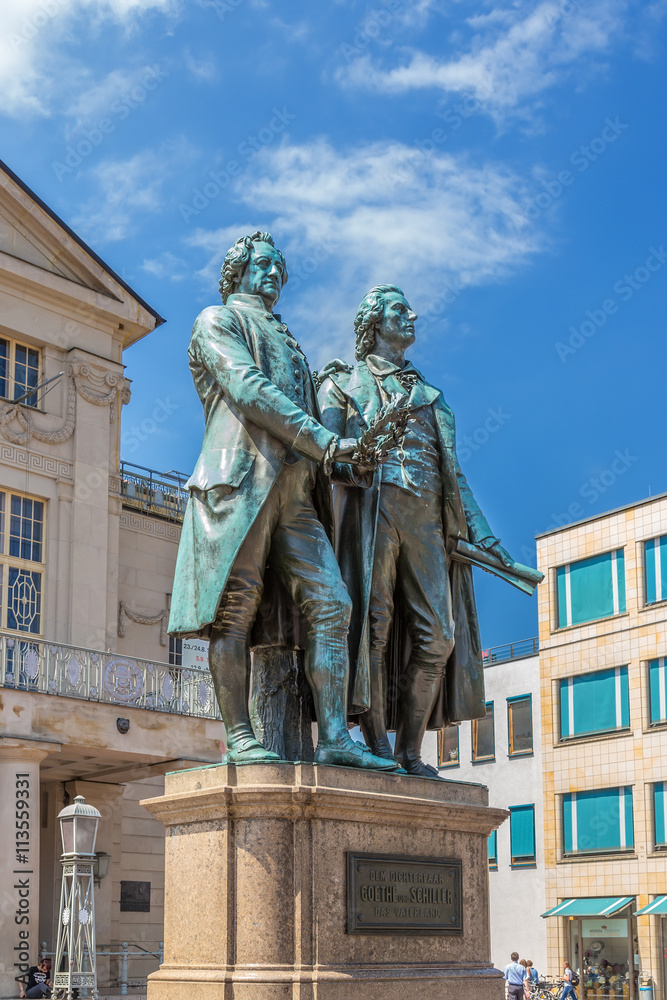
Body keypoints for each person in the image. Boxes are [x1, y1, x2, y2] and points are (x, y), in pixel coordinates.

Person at [168, 232, 399, 772]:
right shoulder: (216, 320)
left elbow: (312, 424)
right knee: (235, 614)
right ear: (238, 270)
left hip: (295, 492)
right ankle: (241, 736)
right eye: (265, 264)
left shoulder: (290, 343)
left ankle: (335, 737)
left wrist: (347, 459)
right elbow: (248, 390)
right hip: (239, 482)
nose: (276, 274)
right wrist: (325, 442)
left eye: (282, 268)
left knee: (333, 604)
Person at [317, 284, 515, 775]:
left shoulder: (431, 396)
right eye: (400, 310)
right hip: (373, 511)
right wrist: (363, 453)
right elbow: (327, 460)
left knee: (438, 637)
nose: (413, 315)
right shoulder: (341, 383)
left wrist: (484, 535)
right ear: (373, 321)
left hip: (427, 518)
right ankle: (379, 747)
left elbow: (455, 476)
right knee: (374, 629)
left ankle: (410, 749)